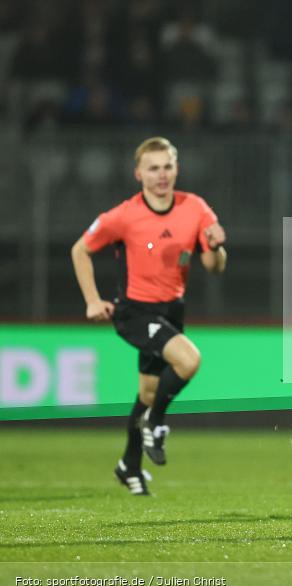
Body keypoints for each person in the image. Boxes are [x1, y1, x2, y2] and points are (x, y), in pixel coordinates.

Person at [70, 137, 227, 495]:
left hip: (171, 309)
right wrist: (93, 300)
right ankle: (155, 424)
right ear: (138, 173)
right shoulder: (123, 216)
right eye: (153, 168)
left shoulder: (196, 208)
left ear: (177, 169)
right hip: (134, 311)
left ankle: (129, 464)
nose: (161, 175)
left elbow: (213, 267)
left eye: (167, 166)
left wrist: (217, 247)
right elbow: (79, 249)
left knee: (148, 390)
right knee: (189, 361)